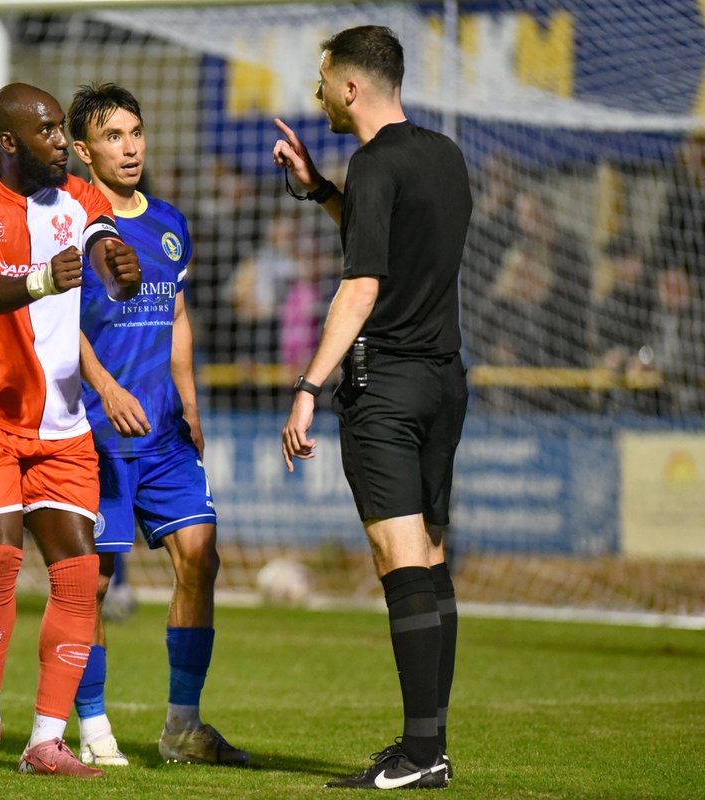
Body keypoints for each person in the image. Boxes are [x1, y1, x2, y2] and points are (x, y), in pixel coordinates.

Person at [274, 25, 471, 790]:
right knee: (431, 559)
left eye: (323, 79)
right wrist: (322, 191)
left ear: (351, 87)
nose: (317, 92)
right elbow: (391, 247)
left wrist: (308, 386)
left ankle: (423, 756)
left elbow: (363, 285)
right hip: (445, 383)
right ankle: (429, 746)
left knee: (400, 562)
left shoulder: (375, 164)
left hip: (384, 386)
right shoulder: (442, 156)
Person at [0, 82, 141, 780]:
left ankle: (46, 740)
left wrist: (123, 271)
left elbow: (107, 253)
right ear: (10, 142)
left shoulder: (80, 197)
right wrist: (46, 280)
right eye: (49, 131)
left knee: (81, 574)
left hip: (61, 418)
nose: (63, 141)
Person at [65, 82, 249, 769]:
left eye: (135, 132)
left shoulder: (169, 222)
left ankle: (182, 727)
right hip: (94, 430)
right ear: (84, 151)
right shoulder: (69, 224)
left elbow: (174, 314)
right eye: (113, 137)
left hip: (165, 433)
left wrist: (191, 400)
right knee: (94, 582)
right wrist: (107, 386)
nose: (130, 146)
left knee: (201, 553)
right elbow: (58, 328)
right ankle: (92, 728)